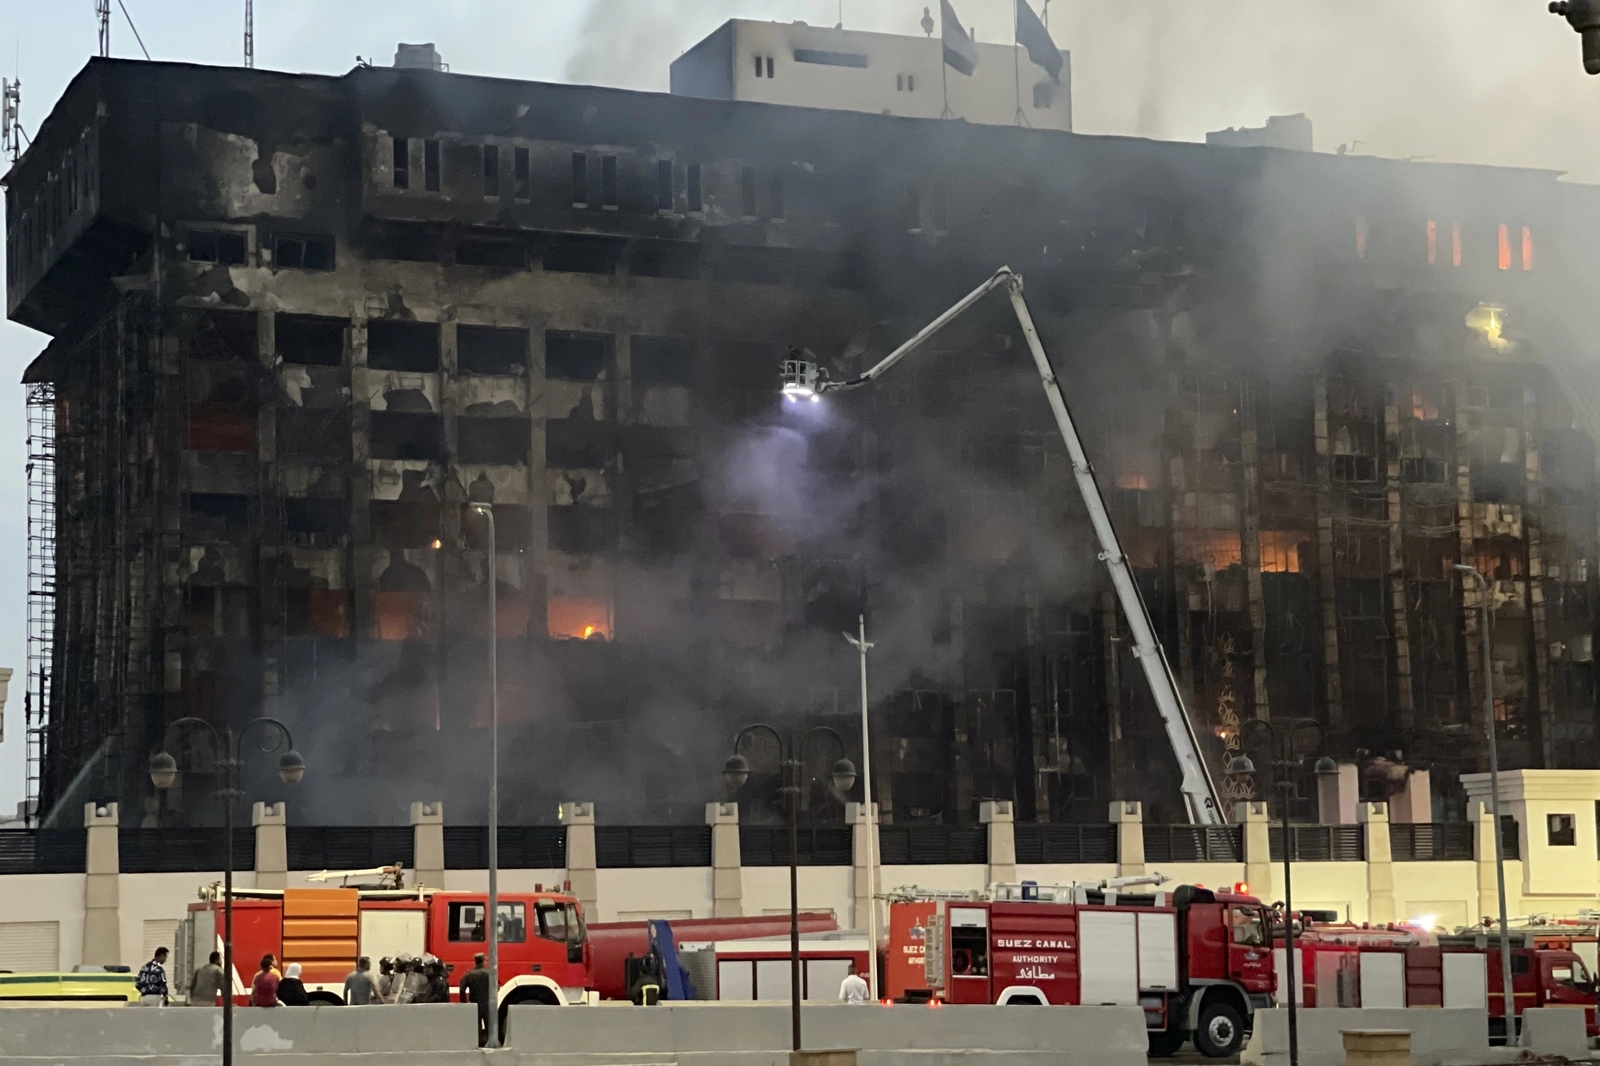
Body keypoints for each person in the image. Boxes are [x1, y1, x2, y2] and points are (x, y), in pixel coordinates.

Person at [459, 953, 493, 1047]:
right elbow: (496, 988)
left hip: (475, 1004)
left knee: (475, 1026)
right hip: (487, 1003)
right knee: (489, 1026)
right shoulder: (489, 973)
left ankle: (476, 1044)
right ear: (483, 961)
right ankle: (489, 1043)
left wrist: (464, 1003)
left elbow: (462, 989)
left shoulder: (469, 974)